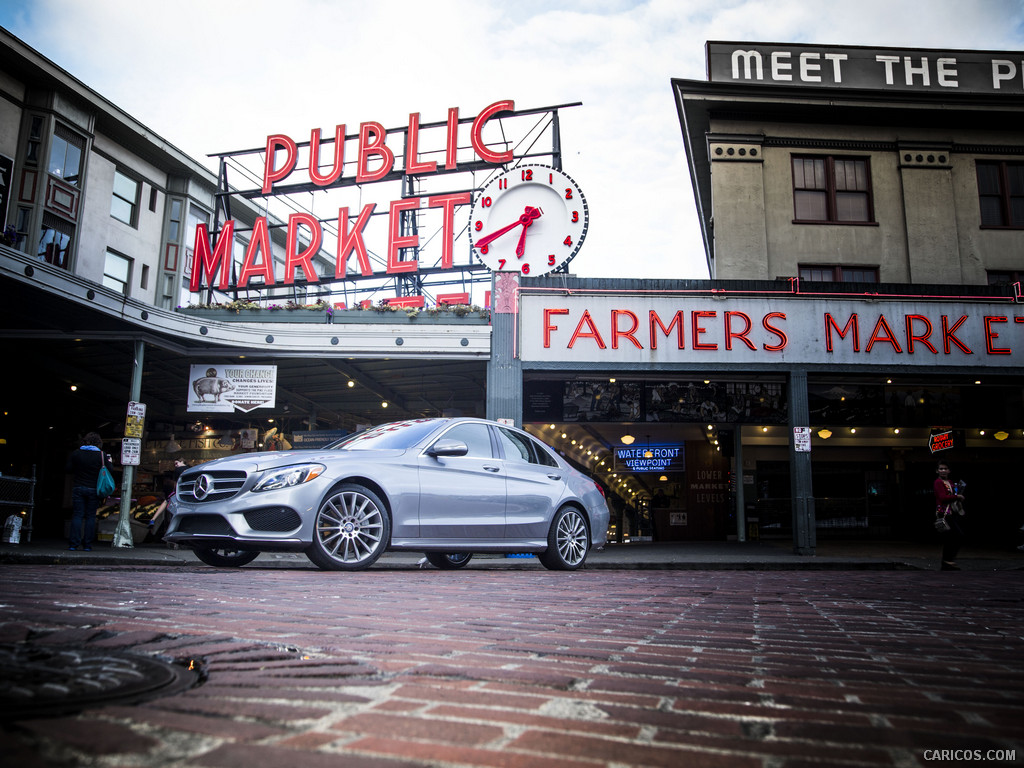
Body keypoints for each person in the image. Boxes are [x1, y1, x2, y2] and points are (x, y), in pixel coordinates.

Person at [66, 432, 114, 551]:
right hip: (94, 489)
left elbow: (68, 469)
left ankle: (73, 544)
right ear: (98, 443)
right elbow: (110, 470)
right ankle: (87, 545)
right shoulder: (101, 455)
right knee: (91, 516)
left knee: (77, 515)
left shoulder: (76, 453)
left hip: (78, 487)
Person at [933, 461, 966, 571]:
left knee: (951, 538)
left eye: (945, 468)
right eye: (941, 469)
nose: (943, 471)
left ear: (949, 470)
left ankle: (948, 561)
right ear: (937, 471)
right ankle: (948, 560)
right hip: (944, 513)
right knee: (956, 535)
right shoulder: (938, 482)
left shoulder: (950, 482)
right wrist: (957, 497)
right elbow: (942, 497)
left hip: (951, 512)